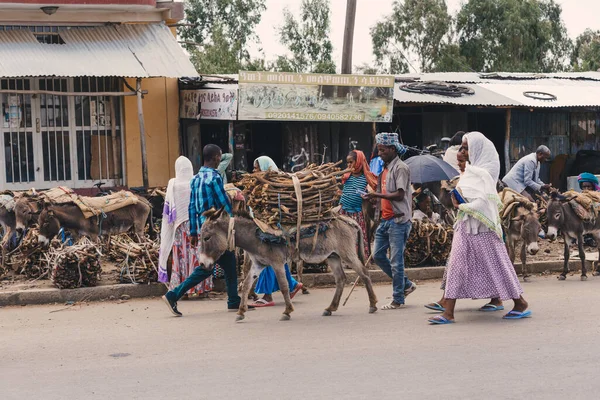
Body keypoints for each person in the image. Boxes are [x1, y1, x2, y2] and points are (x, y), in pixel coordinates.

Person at [428, 132, 530, 324]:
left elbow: (483, 203)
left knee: (498, 266)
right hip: (466, 228)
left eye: (466, 148)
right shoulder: (469, 173)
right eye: (461, 148)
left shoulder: (482, 174)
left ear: (477, 150)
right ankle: (448, 310)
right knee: (457, 267)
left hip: (482, 230)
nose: (462, 152)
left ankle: (520, 303)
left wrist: (461, 206)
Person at [162, 144, 253, 316]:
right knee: (206, 268)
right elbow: (224, 205)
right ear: (217, 157)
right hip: (216, 230)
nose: (220, 158)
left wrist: (195, 232)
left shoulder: (195, 179)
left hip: (204, 230)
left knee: (229, 263)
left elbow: (191, 207)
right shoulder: (214, 178)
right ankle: (173, 295)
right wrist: (234, 222)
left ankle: (234, 300)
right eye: (219, 156)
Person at [363, 132, 416, 310]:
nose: (380, 154)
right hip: (385, 220)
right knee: (377, 255)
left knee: (396, 261)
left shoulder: (400, 167)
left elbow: (400, 194)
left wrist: (376, 194)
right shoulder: (385, 169)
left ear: (393, 149)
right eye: (379, 150)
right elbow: (385, 194)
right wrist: (374, 199)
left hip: (398, 221)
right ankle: (406, 284)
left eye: (383, 150)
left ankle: (398, 298)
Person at [250, 156, 303, 307]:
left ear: (265, 168)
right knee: (277, 259)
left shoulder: (274, 186)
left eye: (257, 168)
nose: (254, 171)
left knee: (269, 259)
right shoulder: (262, 185)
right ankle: (292, 285)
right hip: (268, 227)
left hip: (273, 229)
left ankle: (267, 296)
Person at [158, 156, 213, 297]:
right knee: (198, 256)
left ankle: (183, 291)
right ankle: (200, 290)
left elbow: (169, 209)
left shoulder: (173, 184)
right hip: (198, 224)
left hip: (180, 227)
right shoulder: (196, 181)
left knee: (181, 258)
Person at [340, 150, 377, 257]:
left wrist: (369, 195)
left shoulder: (367, 178)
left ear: (359, 161)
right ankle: (347, 259)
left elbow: (374, 191)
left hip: (358, 213)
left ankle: (360, 258)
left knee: (357, 237)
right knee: (345, 237)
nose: (349, 165)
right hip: (344, 211)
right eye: (348, 162)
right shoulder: (347, 175)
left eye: (351, 162)